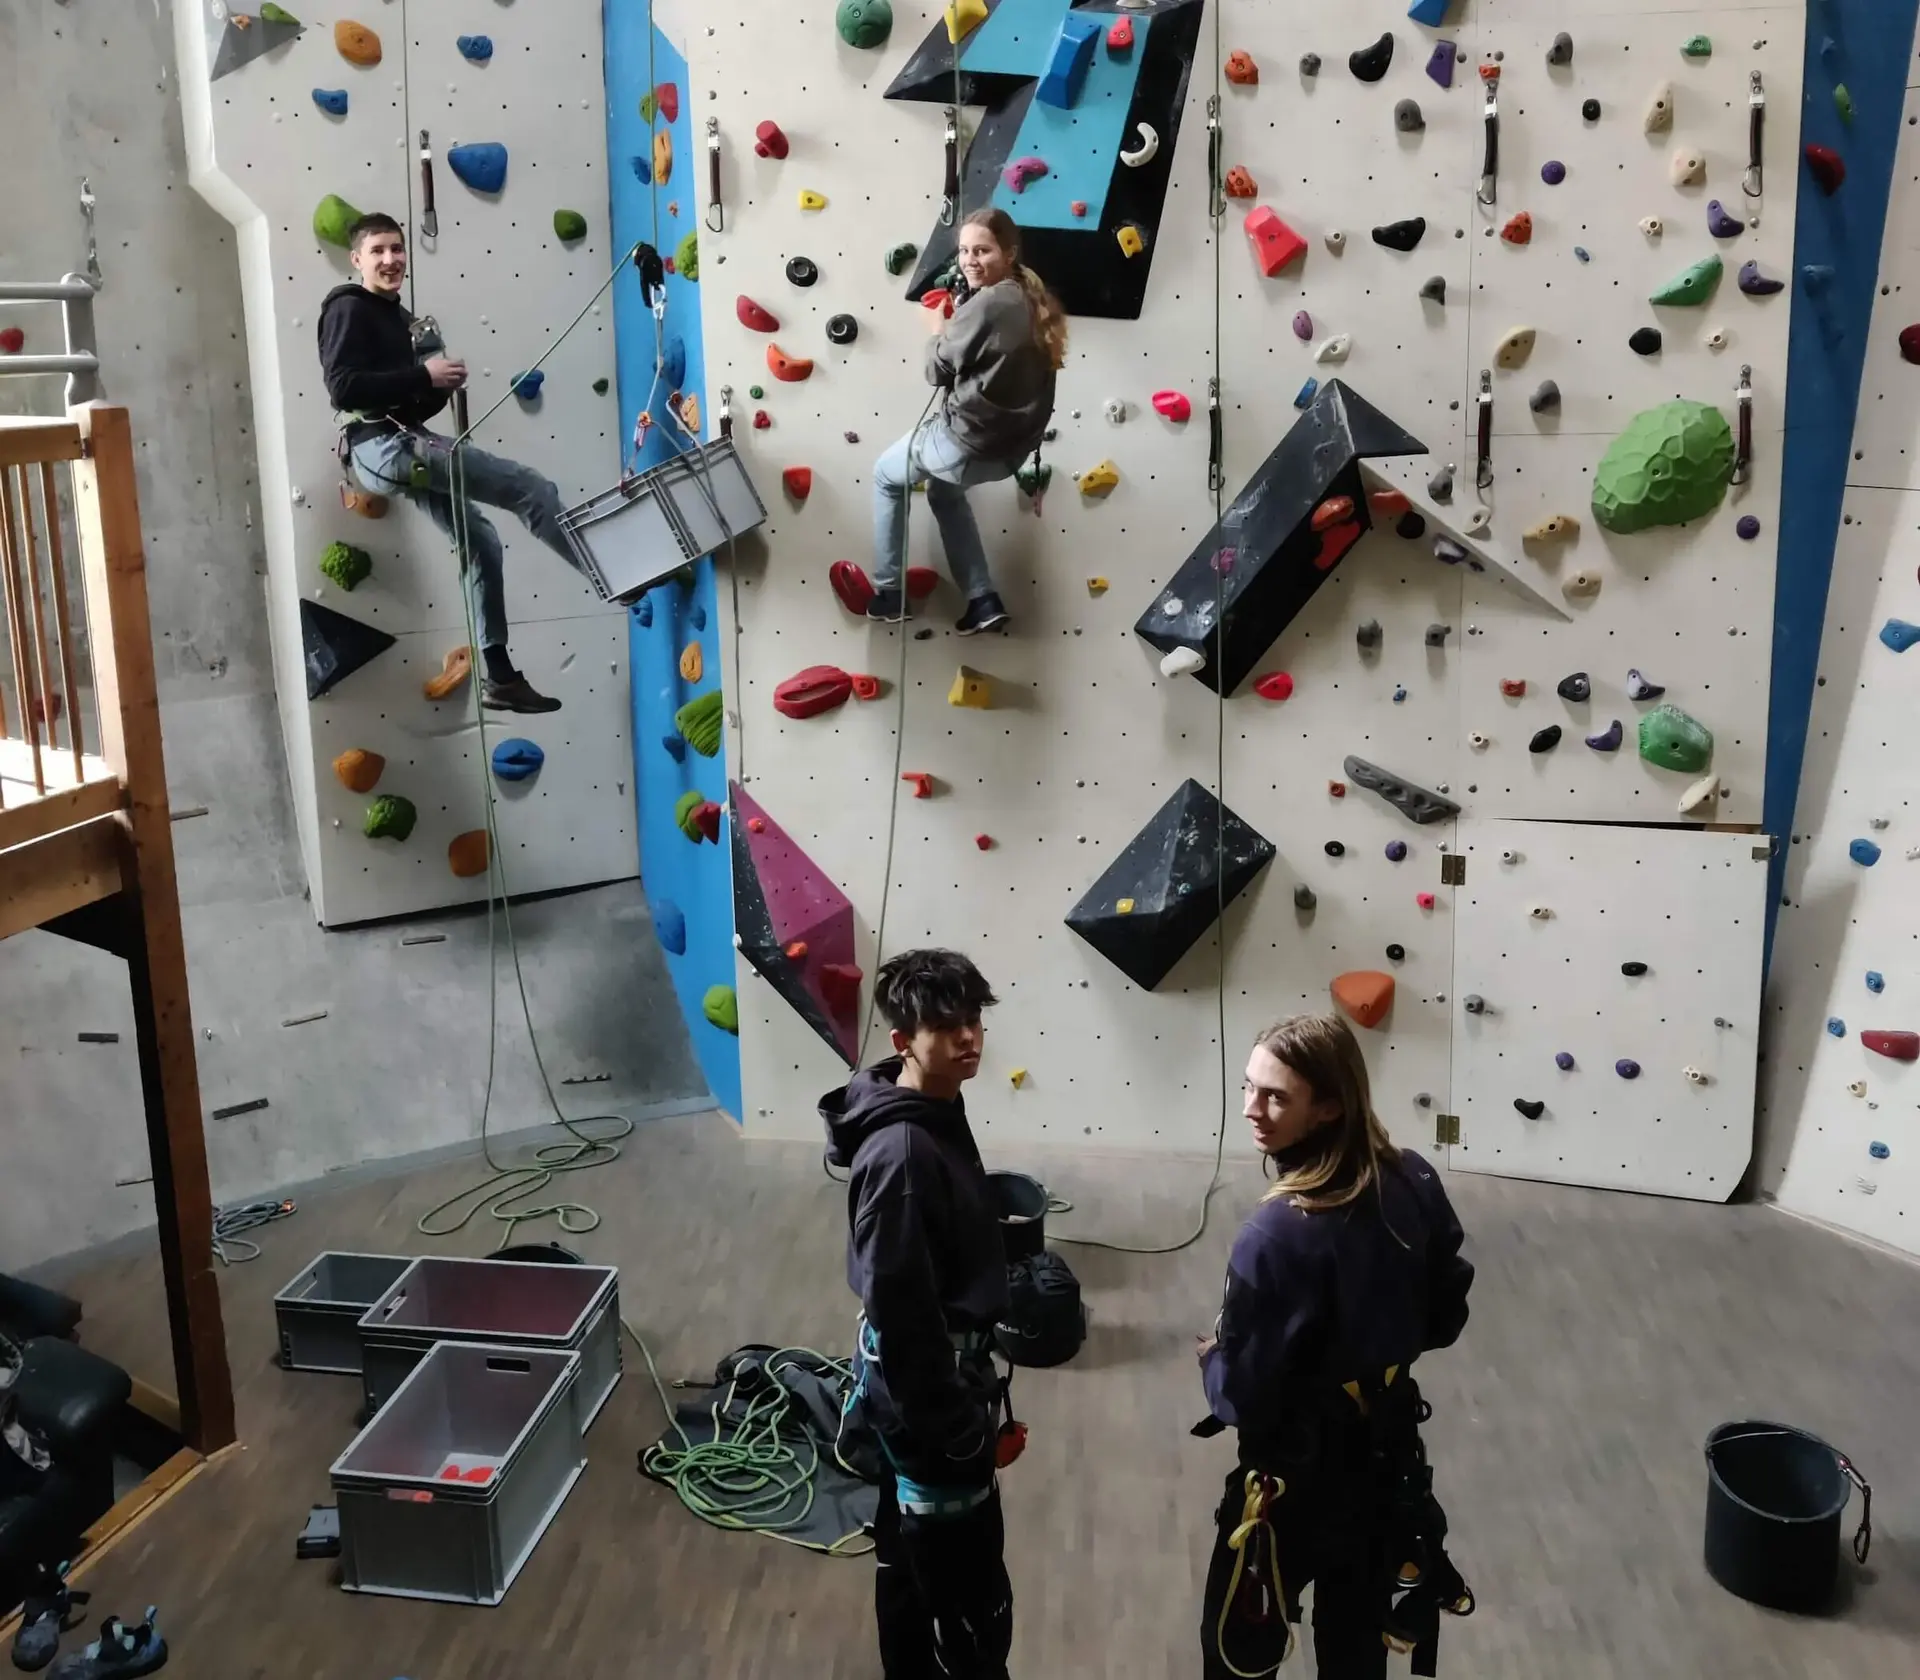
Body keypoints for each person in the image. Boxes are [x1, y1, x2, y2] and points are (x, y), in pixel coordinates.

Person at [1197, 1014, 1475, 1680]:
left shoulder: (1276, 1235)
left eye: (1274, 1097)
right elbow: (1445, 1316)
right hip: (1380, 1459)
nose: (1251, 1110)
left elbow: (1243, 1395)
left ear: (1329, 1106)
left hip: (1289, 1483)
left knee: (1237, 1651)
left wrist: (1212, 1360)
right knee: (1356, 1651)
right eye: (1248, 1088)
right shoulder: (1412, 1180)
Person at [820, 949, 1015, 1680]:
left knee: (910, 1564)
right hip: (929, 1401)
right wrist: (962, 1430)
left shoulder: (931, 1105)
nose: (969, 1039)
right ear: (903, 1041)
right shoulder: (902, 1155)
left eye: (974, 1021)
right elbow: (903, 1316)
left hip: (918, 1392)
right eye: (946, 1026)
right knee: (967, 1597)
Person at [317, 212, 591, 713]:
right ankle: (611, 574)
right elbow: (343, 386)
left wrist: (437, 383)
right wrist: (424, 375)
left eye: (397, 249)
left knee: (480, 540)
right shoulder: (349, 308)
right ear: (356, 259)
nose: (391, 259)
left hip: (393, 446)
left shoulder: (399, 319)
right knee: (531, 489)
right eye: (377, 250)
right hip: (386, 448)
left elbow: (411, 398)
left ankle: (501, 678)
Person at [869, 207, 1066, 635]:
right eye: (964, 251)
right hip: (1006, 454)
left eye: (983, 250)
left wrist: (936, 328)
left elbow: (936, 371)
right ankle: (982, 600)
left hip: (965, 444)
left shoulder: (993, 303)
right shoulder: (1028, 297)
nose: (970, 260)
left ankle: (888, 593)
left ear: (1009, 253)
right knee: (943, 493)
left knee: (886, 476)